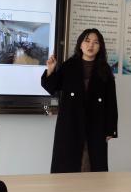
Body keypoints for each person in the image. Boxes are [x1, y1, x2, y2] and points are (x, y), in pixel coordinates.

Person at [41, 28, 118, 178]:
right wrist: (50, 70)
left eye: (96, 42)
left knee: (91, 166)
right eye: (87, 41)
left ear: (100, 47)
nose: (91, 45)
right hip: (70, 123)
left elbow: (111, 101)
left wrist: (110, 129)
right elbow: (51, 87)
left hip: (95, 125)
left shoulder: (105, 70)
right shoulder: (69, 66)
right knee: (66, 166)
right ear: (80, 44)